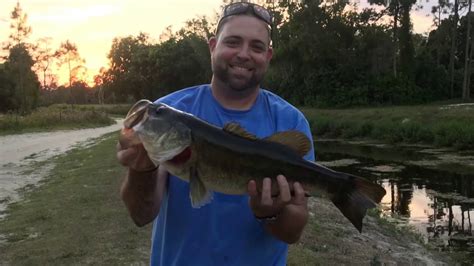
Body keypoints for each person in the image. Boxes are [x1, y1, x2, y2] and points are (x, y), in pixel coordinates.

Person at [117, 2, 315, 265]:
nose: (243, 54)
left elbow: (292, 232)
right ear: (213, 46)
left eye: (256, 47)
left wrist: (269, 214)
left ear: (267, 56)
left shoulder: (290, 121)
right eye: (233, 42)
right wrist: (141, 171)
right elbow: (141, 215)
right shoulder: (172, 111)